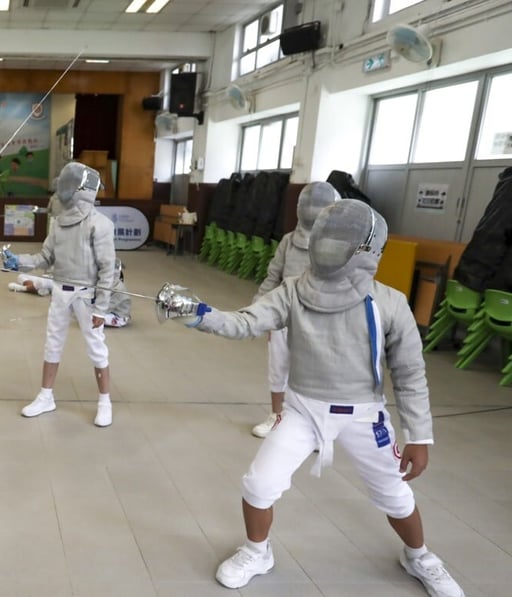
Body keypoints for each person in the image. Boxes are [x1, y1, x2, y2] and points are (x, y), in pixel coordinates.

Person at [157, 200, 464, 597]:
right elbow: (246, 322)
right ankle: (257, 551)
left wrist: (420, 436)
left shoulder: (388, 302)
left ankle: (419, 556)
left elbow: (409, 373)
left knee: (395, 494)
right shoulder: (294, 291)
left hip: (363, 415)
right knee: (258, 485)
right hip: (302, 409)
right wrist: (197, 313)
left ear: (366, 250)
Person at [2, 162, 117, 427]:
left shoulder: (100, 224)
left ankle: (104, 402)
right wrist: (16, 261)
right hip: (59, 291)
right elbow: (44, 257)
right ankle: (46, 397)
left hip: (86, 296)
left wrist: (101, 307)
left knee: (96, 348)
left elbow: (107, 268)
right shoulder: (58, 224)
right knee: (52, 343)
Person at [250, 182, 339, 438]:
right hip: (285, 316)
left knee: (315, 375)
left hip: (319, 320)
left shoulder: (336, 244)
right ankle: (277, 417)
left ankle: (313, 428)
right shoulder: (289, 241)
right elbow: (272, 278)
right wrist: (259, 314)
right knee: (279, 369)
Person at [8, 260, 131, 328]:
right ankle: (38, 289)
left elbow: (102, 308)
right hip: (59, 282)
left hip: (117, 316)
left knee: (85, 317)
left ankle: (33, 289)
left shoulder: (117, 288)